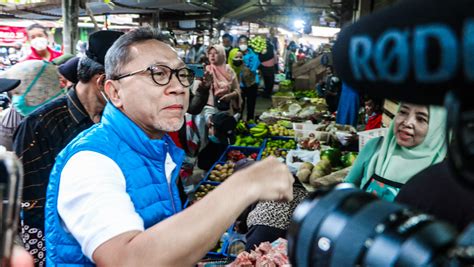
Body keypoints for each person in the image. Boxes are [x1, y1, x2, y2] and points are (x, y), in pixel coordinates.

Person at [44, 27, 294, 266]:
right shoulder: (92, 161)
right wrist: (244, 185)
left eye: (181, 74)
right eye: (158, 74)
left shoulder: (159, 148)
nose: (178, 88)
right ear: (115, 92)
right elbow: (127, 260)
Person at [13, 30, 123, 266]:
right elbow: (31, 206)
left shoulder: (118, 119)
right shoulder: (40, 124)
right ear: (103, 82)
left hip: (109, 240)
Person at [344, 103, 447, 201]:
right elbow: (346, 189)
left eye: (420, 119)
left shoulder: (442, 175)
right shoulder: (374, 147)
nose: (407, 123)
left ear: (436, 129)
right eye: (403, 112)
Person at [0, 60, 65, 150]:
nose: (15, 100)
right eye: (14, 93)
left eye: (18, 92)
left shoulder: (64, 112)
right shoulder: (12, 119)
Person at [205, 44, 241, 114]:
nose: (212, 56)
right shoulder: (207, 70)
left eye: (216, 53)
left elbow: (237, 90)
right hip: (209, 110)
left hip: (227, 109)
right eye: (210, 53)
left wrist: (230, 96)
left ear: (222, 55)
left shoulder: (229, 70)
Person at [231, 35, 260, 120]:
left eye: (244, 42)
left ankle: (249, 122)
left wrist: (243, 63)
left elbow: (253, 69)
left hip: (252, 83)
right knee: (240, 105)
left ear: (247, 44)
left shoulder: (254, 55)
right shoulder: (234, 54)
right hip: (239, 84)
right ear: (238, 43)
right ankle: (239, 123)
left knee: (251, 105)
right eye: (240, 42)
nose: (242, 44)